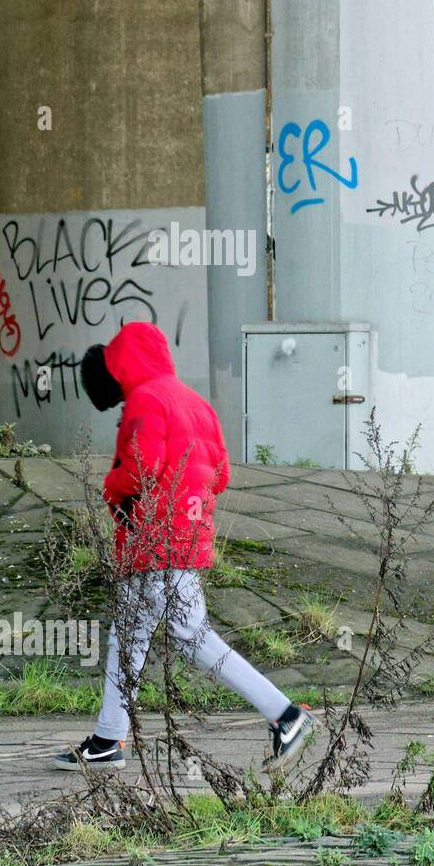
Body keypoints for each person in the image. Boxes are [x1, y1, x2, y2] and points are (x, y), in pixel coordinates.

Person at [52, 321, 314, 772]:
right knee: (131, 634)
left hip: (153, 537)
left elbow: (140, 468)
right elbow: (222, 475)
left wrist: (109, 487)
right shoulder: (195, 402)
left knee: (189, 638)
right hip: (186, 534)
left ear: (123, 362)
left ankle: (286, 715)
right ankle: (107, 739)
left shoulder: (145, 401)